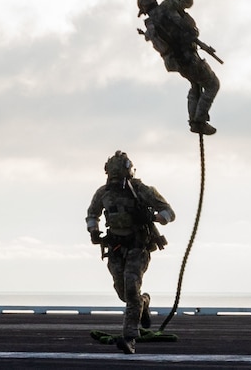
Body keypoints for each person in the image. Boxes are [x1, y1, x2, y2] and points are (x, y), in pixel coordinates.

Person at [86, 151, 175, 354]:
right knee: (123, 293)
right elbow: (92, 214)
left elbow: (169, 212)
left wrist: (156, 218)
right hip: (116, 249)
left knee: (131, 288)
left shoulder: (142, 190)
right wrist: (93, 230)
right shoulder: (103, 193)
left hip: (138, 246)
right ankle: (144, 302)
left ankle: (130, 338)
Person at [137, 0, 220, 135]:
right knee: (212, 85)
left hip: (177, 62)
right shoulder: (167, 7)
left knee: (195, 85)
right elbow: (188, 1)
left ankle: (194, 119)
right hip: (189, 57)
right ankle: (199, 121)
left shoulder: (150, 25)